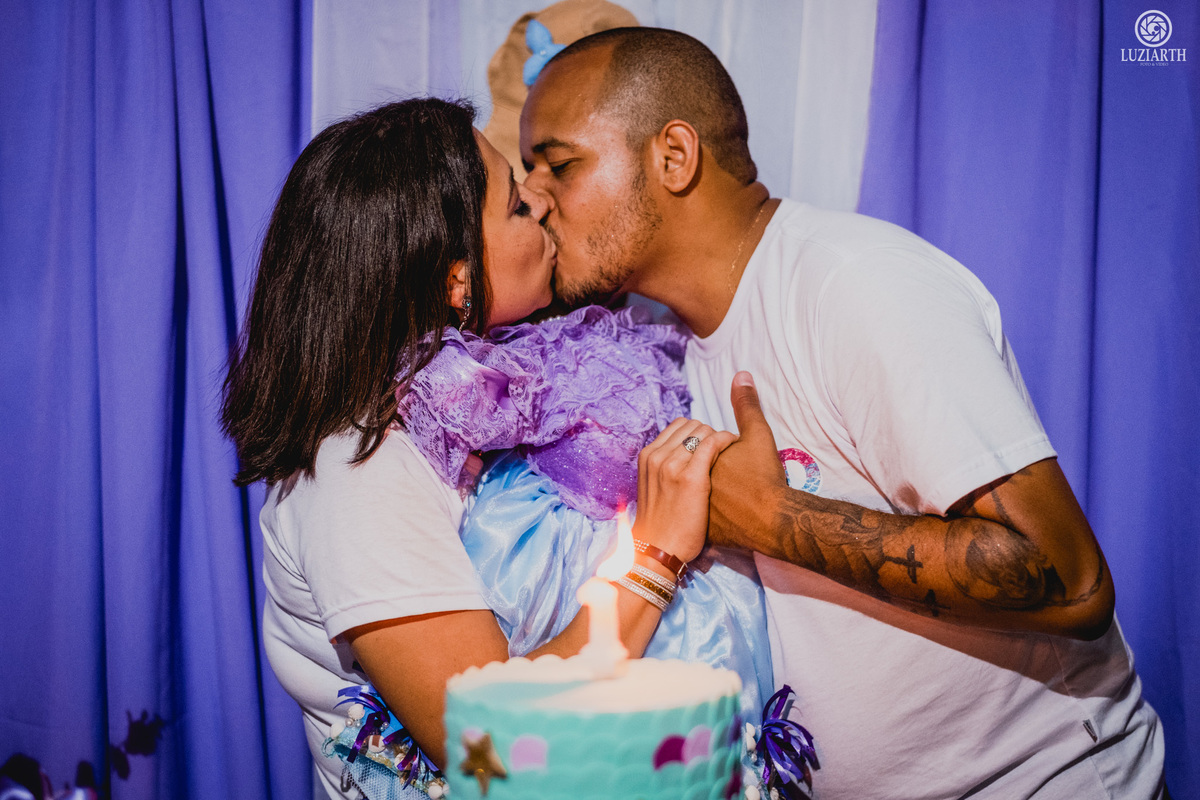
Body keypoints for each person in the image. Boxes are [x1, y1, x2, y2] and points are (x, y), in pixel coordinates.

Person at [519, 26, 1166, 799]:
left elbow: (1072, 581)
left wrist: (770, 518)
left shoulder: (854, 286)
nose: (535, 197)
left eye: (559, 164)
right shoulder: (659, 351)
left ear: (675, 156)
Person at [219, 97, 734, 800]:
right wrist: (656, 554)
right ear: (454, 278)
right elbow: (493, 745)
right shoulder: (361, 474)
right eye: (517, 206)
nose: (542, 205)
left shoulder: (483, 390)